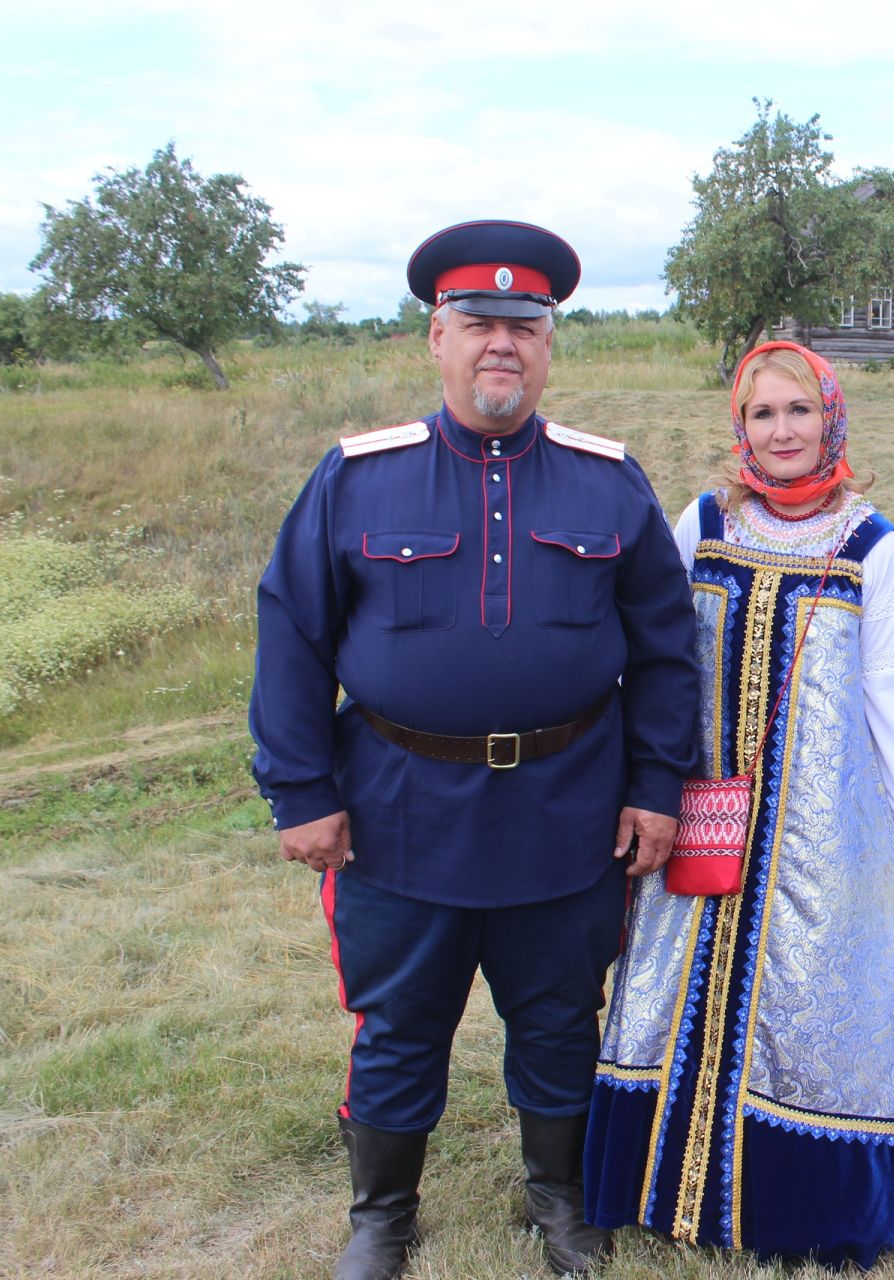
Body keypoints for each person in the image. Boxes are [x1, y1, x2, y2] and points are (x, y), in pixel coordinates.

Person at [249, 220, 698, 1279]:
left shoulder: (608, 481)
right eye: (480, 324)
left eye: (525, 326)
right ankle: (383, 1215)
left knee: (556, 1016)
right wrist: (301, 790)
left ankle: (560, 1203)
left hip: (566, 806)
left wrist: (655, 786)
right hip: (401, 808)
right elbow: (292, 634)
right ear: (436, 339)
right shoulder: (358, 479)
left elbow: (668, 651)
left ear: (550, 345)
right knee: (400, 1021)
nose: (504, 344)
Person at [584, 340, 894, 1270]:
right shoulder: (703, 521)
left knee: (816, 996)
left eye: (799, 410)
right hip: (703, 806)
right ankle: (654, 1191)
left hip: (825, 827)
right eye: (763, 413)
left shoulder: (867, 540)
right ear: (740, 426)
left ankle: (809, 1209)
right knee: (670, 984)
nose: (783, 430)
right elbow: (655, 648)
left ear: (831, 418)